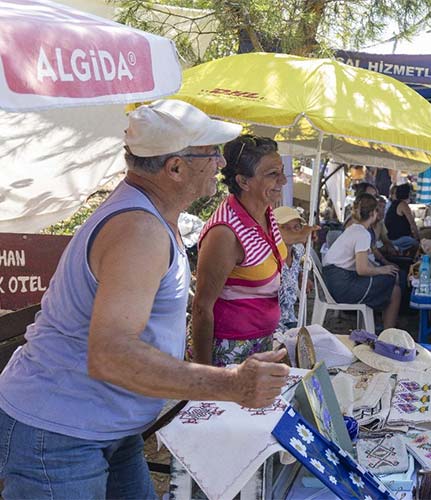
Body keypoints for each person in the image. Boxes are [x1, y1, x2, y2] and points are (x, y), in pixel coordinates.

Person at [0, 100, 290, 499]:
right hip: (61, 433)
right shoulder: (139, 230)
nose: (221, 165)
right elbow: (112, 354)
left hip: (100, 427)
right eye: (211, 154)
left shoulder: (148, 215)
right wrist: (231, 384)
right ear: (175, 167)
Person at [192, 135, 287, 367]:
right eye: (273, 174)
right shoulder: (224, 233)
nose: (283, 180)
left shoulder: (265, 210)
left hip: (261, 341)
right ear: (244, 182)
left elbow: (267, 251)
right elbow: (202, 308)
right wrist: (205, 377)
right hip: (230, 349)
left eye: (282, 171)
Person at [323, 193, 401, 328]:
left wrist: (382, 269)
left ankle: (384, 324)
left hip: (333, 282)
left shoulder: (354, 229)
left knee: (389, 278)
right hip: (342, 286)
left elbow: (364, 263)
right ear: (372, 213)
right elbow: (362, 269)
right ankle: (389, 332)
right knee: (395, 289)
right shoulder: (363, 234)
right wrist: (382, 269)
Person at [273, 206, 318, 331]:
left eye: (297, 227)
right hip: (271, 326)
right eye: (285, 227)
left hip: (290, 320)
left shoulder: (298, 250)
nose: (293, 232)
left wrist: (301, 276)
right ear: (273, 231)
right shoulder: (269, 255)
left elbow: (295, 267)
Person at [385, 183, 420, 252]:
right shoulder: (403, 205)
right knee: (419, 245)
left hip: (393, 238)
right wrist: (418, 237)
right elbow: (412, 223)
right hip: (398, 239)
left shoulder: (394, 204)